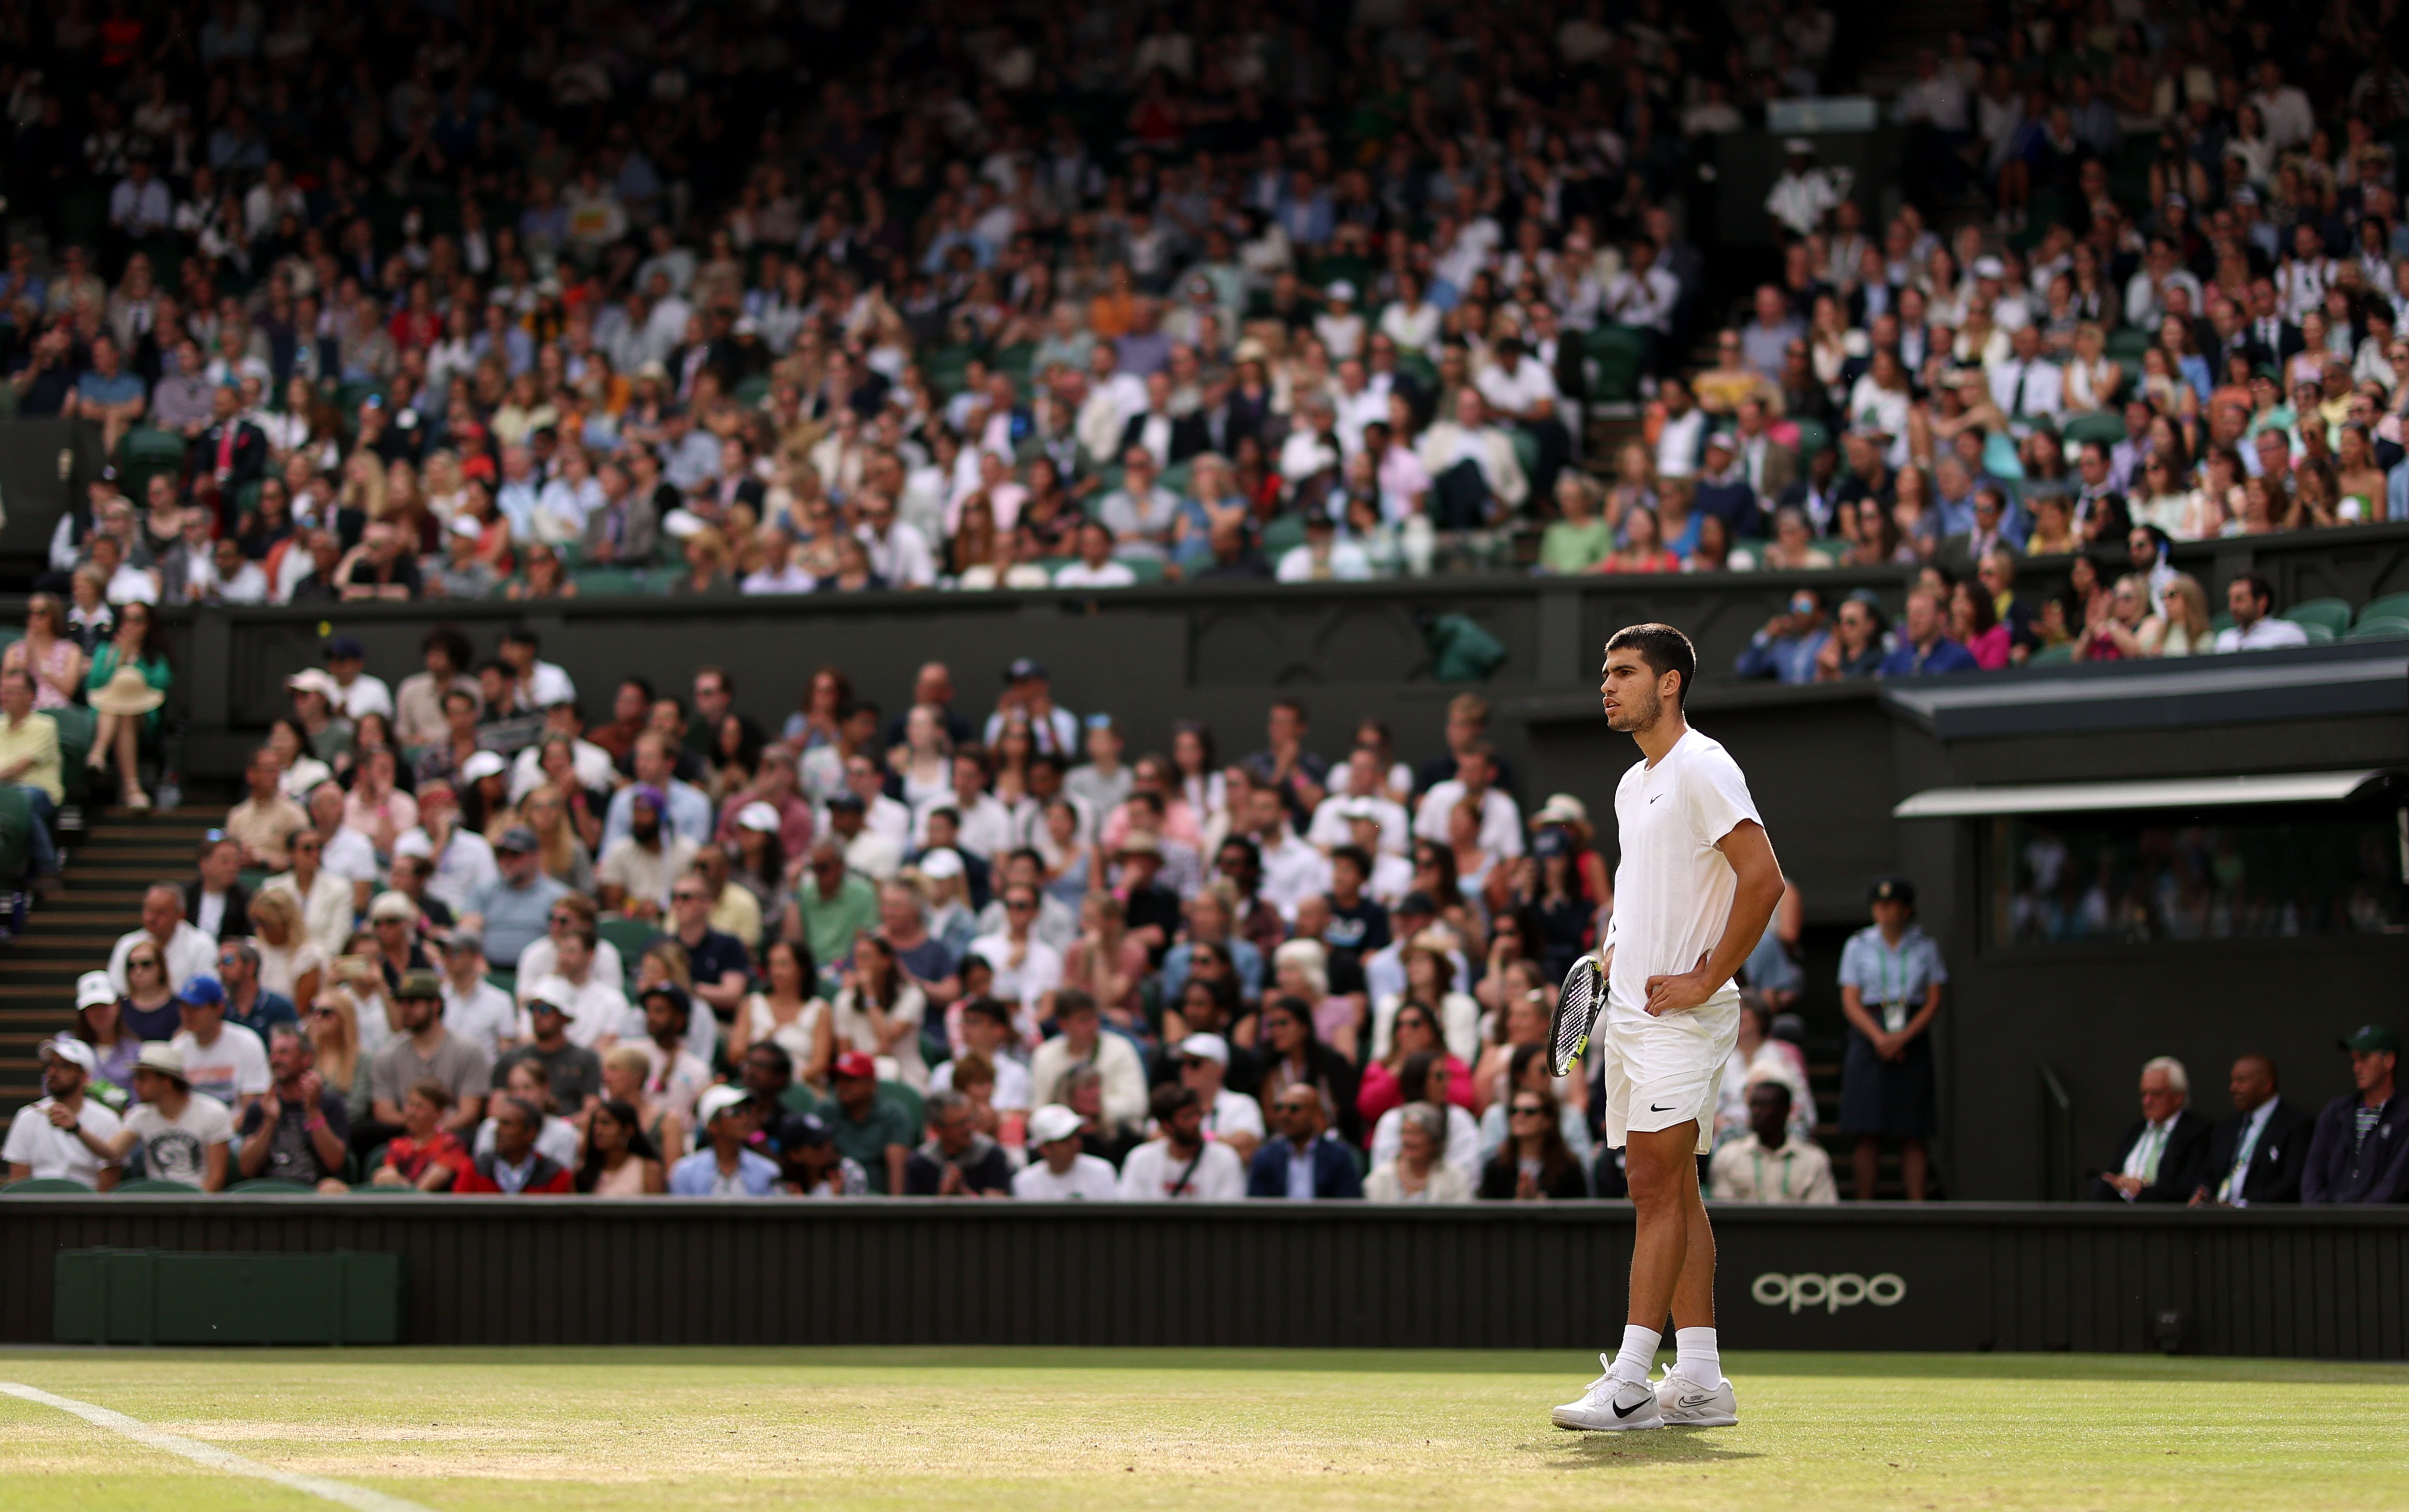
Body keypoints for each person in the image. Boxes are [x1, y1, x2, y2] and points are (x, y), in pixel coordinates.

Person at [1552, 623, 1779, 1435]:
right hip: (1634, 1021)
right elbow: (1639, 888)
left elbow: (1765, 880)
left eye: (1624, 672)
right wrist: (1616, 949)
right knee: (1675, 1190)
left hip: (1686, 1018)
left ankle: (1628, 1379)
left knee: (1650, 1185)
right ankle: (1700, 1379)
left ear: (1671, 682)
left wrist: (1705, 976)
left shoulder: (1705, 766)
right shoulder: (1629, 785)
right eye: (1605, 671)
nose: (1606, 685)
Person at [1836, 876, 1945, 1202]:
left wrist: (1904, 1037)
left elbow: (1934, 998)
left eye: (1892, 905)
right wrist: (1880, 1037)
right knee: (1866, 1128)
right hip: (1870, 1032)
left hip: (1910, 1032)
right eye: (1879, 905)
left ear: (1907, 909)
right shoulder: (1858, 945)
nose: (1885, 912)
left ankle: (1917, 1204)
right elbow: (1850, 998)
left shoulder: (1926, 946)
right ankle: (1864, 1203)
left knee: (1913, 1130)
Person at [364, 969, 491, 1162]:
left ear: (436, 1005)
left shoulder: (468, 1051)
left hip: (451, 1134)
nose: (405, 1009)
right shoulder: (387, 1055)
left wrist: (433, 1131)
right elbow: (384, 1111)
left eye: (413, 1002)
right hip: (405, 1131)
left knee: (467, 1140)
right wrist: (418, 1126)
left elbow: (469, 1112)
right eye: (401, 1003)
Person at [84, 1043, 234, 1191]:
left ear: (166, 1082)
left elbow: (216, 1179)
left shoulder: (213, 1113)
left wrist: (194, 1208)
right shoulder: (139, 1115)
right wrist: (76, 1129)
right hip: (158, 1203)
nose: (135, 1084)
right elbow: (112, 1153)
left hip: (198, 1204)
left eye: (142, 1078)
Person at [234, 1023, 351, 1190]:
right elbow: (246, 1169)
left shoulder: (330, 1104)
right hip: (270, 1193)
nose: (276, 1060)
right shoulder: (260, 1108)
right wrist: (269, 1122)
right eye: (273, 1054)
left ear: (307, 1059)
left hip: (315, 1193)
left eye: (284, 1053)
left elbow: (335, 1163)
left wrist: (313, 1111)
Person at [2302, 1025, 2409, 1204]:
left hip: (2379, 1228)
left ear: (2389, 1061)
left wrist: (2358, 1219)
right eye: (2355, 1060)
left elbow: (2395, 1183)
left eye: (2365, 1059)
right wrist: (2320, 1217)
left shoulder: (2404, 1115)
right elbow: (2313, 1173)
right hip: (2327, 1227)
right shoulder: (2336, 1112)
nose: (2357, 1068)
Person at [2190, 1053, 2313, 1207]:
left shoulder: (2295, 1126)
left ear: (2267, 1084)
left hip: (2261, 1222)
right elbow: (2209, 1172)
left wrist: (2243, 1206)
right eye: (2232, 1081)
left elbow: (2291, 1183)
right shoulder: (2227, 1127)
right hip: (2217, 1216)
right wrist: (2204, 1191)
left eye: (2241, 1081)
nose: (2233, 1088)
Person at [2091, 1056, 2214, 1204]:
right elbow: (2113, 1173)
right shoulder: (2135, 1131)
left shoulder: (2196, 1132)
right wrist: (2118, 1181)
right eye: (2144, 1094)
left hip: (2159, 1214)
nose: (2147, 1102)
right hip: (2119, 1208)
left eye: (2156, 1094)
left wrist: (2141, 1190)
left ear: (2178, 1097)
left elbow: (2185, 1189)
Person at [4, 1038, 123, 1189]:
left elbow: (108, 1187)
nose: (53, 1072)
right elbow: (18, 1184)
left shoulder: (108, 1120)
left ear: (84, 1076)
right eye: (51, 1065)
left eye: (64, 1066)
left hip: (86, 1208)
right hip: (37, 1205)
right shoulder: (27, 1116)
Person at [1707, 1081, 1837, 1203]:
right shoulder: (1728, 1157)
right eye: (1753, 1106)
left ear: (1786, 1111)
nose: (1756, 1113)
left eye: (1764, 1107)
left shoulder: (1813, 1160)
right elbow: (1723, 1212)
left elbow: (1823, 1214)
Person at [1118, 1083, 1246, 1200]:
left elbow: (1228, 1213)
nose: (1197, 1122)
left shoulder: (1225, 1159)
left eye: (1198, 1114)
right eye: (1187, 1117)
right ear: (1167, 1125)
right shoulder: (1140, 1159)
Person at [1246, 1081, 1362, 1199]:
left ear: (1315, 1114)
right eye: (1279, 1108)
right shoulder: (1265, 1157)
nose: (1284, 1115)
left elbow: (1349, 1207)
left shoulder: (1339, 1157)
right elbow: (1257, 1208)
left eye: (1294, 1109)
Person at [826, 1050, 914, 1194]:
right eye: (839, 1080)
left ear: (872, 1084)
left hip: (879, 1202)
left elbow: (897, 1166)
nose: (842, 1086)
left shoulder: (893, 1114)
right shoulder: (827, 1112)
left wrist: (896, 1210)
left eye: (851, 1080)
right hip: (837, 1199)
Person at [108, 883, 218, 998]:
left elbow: (207, 994)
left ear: (181, 915)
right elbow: (117, 990)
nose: (152, 918)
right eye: (149, 910)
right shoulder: (127, 945)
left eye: (161, 912)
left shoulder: (202, 945)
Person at [1479, 1088, 1590, 1200]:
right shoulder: (1496, 1168)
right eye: (1514, 1111)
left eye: (1530, 1112)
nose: (1519, 1116)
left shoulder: (1569, 1169)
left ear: (1547, 1120)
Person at [668, 1084, 781, 1196]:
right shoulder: (685, 1173)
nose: (745, 1117)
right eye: (735, 1111)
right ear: (713, 1125)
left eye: (747, 1110)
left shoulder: (768, 1172)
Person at [454, 1094, 577, 1193]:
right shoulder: (475, 1169)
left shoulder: (555, 1176)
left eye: (507, 1124)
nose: (498, 1131)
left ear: (530, 1133)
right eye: (499, 1123)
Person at [904, 1088, 1015, 1196]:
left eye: (970, 1119)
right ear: (938, 1129)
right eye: (960, 1124)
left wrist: (962, 1192)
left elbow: (997, 1210)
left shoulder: (991, 1154)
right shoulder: (920, 1163)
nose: (970, 1128)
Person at [1176, 1032, 1263, 1165]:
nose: (1185, 1070)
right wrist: (1217, 1140)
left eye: (1195, 1064)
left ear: (1220, 1068)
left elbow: (1247, 1147)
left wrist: (1187, 1140)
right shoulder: (1174, 1103)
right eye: (1183, 1063)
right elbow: (1154, 1136)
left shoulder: (1242, 1104)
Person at [368, 1080, 471, 1191]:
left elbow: (422, 1190)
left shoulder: (450, 1145)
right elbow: (387, 1179)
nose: (411, 1113)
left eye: (419, 1107)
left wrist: (397, 1181)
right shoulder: (398, 1146)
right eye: (410, 1105)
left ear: (439, 1113)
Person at [1365, 1101, 1471, 1202]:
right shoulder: (1381, 1178)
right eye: (1405, 1133)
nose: (1408, 1140)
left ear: (1434, 1140)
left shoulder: (1455, 1178)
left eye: (1415, 1134)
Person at [1013, 1102, 1123, 1199]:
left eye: (1076, 1135)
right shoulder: (1025, 1182)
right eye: (1065, 1140)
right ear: (1045, 1148)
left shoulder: (1102, 1172)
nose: (1076, 1144)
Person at [2212, 573, 2312, 652]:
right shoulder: (2225, 639)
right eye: (2231, 599)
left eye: (2240, 599)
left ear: (2262, 602)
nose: (2232, 607)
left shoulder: (2288, 634)